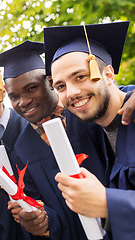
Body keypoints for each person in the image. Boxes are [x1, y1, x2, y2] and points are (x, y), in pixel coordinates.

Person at [0, 39, 135, 239]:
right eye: (14, 96)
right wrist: (43, 222)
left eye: (31, 88)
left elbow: (113, 95)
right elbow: (44, 207)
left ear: (49, 84)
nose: (24, 101)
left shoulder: (87, 113)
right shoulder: (22, 150)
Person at [43, 21, 135, 239]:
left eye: (80, 76)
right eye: (60, 86)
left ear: (109, 75)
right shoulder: (90, 132)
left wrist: (107, 203)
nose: (72, 93)